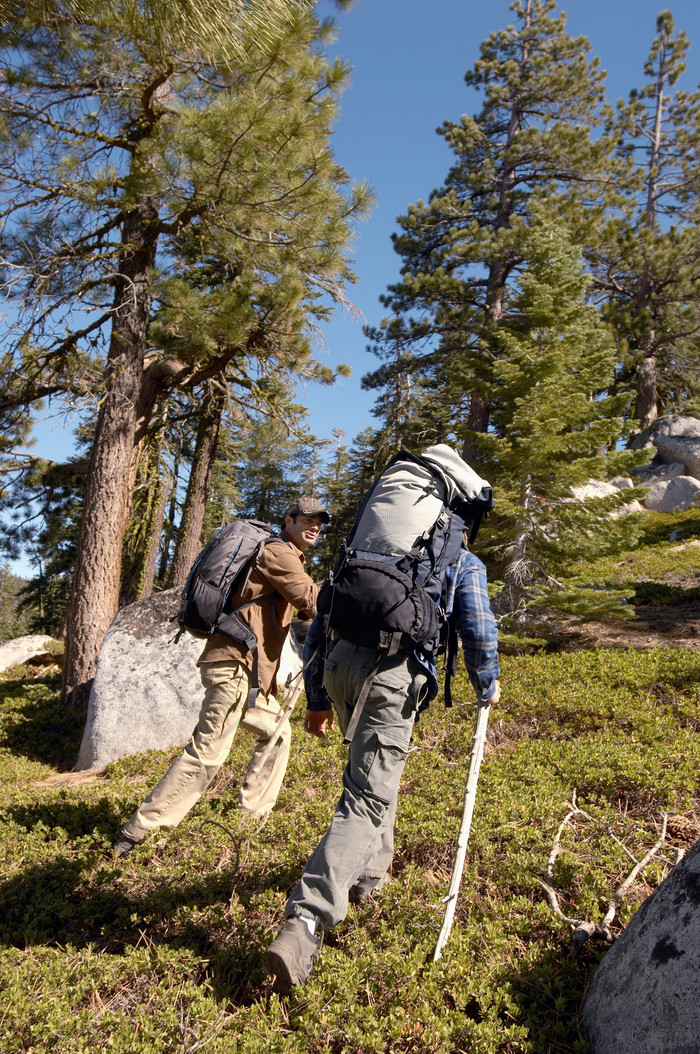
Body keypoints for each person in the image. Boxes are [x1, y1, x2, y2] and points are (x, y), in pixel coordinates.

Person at [262, 540, 500, 991]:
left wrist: (317, 697)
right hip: (391, 675)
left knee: (370, 776)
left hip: (340, 667)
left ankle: (370, 875)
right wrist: (486, 682)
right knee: (367, 795)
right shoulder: (460, 556)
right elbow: (479, 627)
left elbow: (321, 623)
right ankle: (307, 919)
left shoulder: (371, 544)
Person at [113, 497, 329, 858]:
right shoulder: (279, 552)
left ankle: (249, 821)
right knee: (208, 752)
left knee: (277, 733)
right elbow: (311, 600)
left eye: (320, 522)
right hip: (234, 665)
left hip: (245, 671)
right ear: (288, 520)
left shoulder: (285, 554)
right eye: (307, 519)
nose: (315, 526)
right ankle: (139, 832)